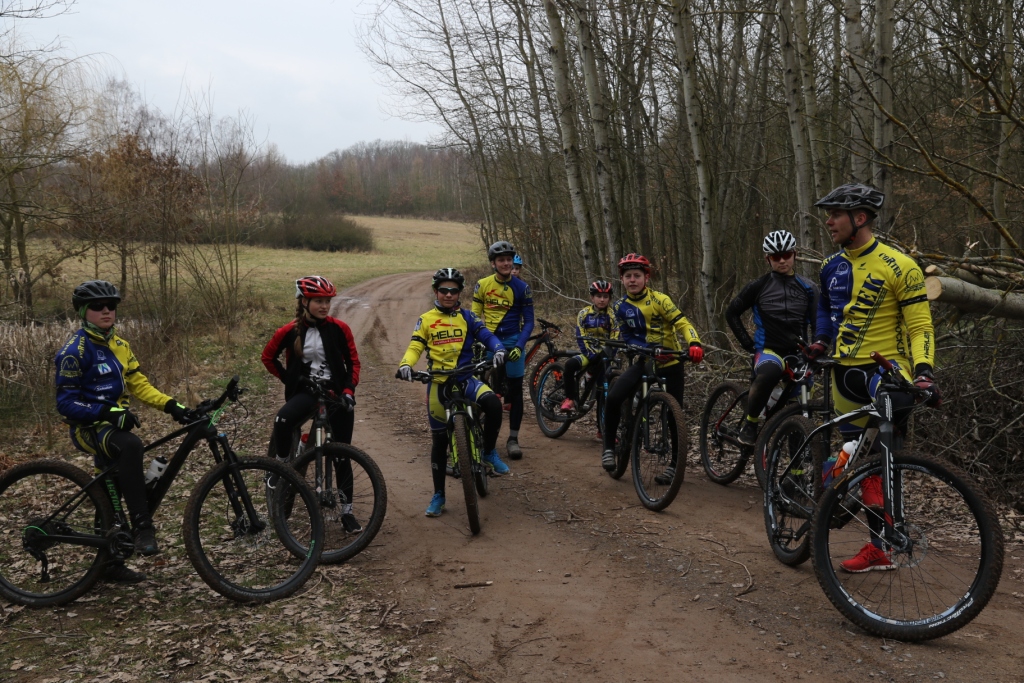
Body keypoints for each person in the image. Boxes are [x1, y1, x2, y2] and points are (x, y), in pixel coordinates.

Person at [809, 183, 939, 573]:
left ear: (859, 218)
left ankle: (878, 540)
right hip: (842, 375)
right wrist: (819, 341)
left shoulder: (899, 265)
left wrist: (924, 373)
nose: (828, 221)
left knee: (884, 458)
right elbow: (825, 312)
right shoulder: (829, 266)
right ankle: (872, 539)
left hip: (884, 371)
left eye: (835, 214)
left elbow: (921, 327)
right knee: (855, 455)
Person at [55, 280, 189, 583]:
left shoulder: (120, 345)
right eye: (98, 307)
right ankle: (143, 527)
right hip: (87, 428)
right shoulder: (74, 352)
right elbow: (65, 403)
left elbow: (139, 385)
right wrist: (108, 412)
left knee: (110, 489)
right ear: (83, 311)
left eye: (111, 306)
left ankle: (109, 563)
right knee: (130, 446)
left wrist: (174, 407)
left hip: (112, 422)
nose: (106, 311)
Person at [398, 268, 509, 517]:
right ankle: (439, 495)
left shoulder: (468, 317)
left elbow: (486, 335)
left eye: (454, 290)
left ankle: (489, 451)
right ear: (436, 292)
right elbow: (416, 345)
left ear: (460, 292)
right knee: (439, 441)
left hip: (466, 378)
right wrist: (406, 364)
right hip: (439, 383)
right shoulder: (426, 319)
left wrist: (499, 348)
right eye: (444, 290)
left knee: (492, 404)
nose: (449, 295)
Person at [261, 275, 362, 533]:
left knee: (342, 453)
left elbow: (353, 363)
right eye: (318, 301)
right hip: (306, 392)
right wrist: (290, 380)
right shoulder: (288, 331)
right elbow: (268, 357)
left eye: (327, 301)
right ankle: (281, 464)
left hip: (336, 393)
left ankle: (347, 512)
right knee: (282, 421)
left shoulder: (340, 329)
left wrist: (349, 390)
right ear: (304, 301)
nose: (324, 306)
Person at [602, 254, 703, 476]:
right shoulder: (620, 306)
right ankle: (609, 447)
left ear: (646, 277)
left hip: (671, 362)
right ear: (622, 279)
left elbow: (683, 323)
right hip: (644, 361)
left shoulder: (661, 300)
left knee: (673, 415)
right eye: (627, 276)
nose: (632, 280)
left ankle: (675, 466)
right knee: (614, 397)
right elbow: (623, 334)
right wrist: (631, 349)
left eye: (637, 275)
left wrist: (694, 342)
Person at [725, 230, 818, 446]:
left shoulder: (809, 287)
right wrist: (747, 343)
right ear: (768, 259)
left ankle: (796, 476)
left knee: (799, 411)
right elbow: (731, 313)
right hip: (768, 350)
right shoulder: (758, 286)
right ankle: (751, 422)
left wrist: (818, 348)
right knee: (770, 372)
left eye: (787, 255)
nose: (782, 260)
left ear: (795, 254)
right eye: (776, 257)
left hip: (798, 353)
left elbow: (817, 322)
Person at [472, 241, 534, 460]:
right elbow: (474, 316)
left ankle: (513, 439)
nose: (506, 263)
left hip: (513, 342)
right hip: (489, 341)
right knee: (482, 389)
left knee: (516, 391)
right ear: (493, 263)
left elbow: (528, 322)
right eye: (501, 260)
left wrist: (519, 346)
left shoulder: (522, 288)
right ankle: (479, 434)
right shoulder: (482, 285)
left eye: (509, 259)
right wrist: (477, 340)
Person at [560, 280, 614, 417]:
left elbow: (616, 338)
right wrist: (589, 354)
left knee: (602, 391)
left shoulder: (613, 316)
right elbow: (580, 336)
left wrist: (609, 354)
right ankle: (570, 399)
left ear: (609, 298)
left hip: (605, 356)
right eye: (598, 296)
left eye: (605, 296)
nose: (602, 299)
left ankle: (601, 430)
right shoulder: (584, 313)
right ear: (592, 297)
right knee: (570, 365)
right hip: (587, 353)